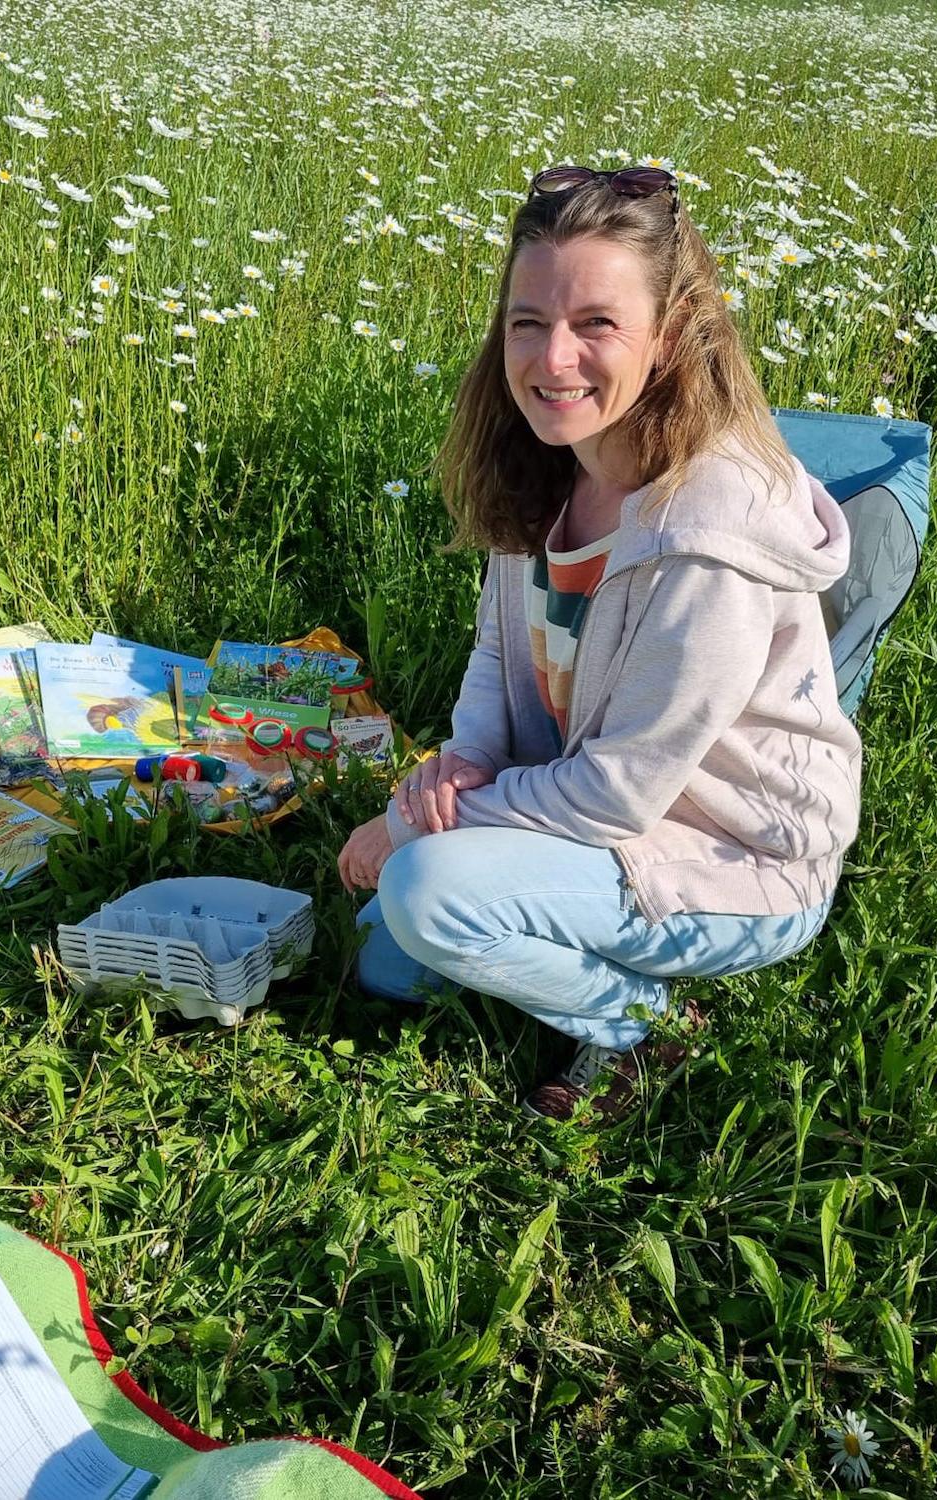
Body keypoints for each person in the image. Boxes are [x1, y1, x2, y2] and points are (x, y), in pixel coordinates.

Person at [337, 165, 861, 1123]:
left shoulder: (709, 531)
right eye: (528, 322)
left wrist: (417, 824)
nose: (553, 359)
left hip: (734, 858)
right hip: (595, 806)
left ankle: (639, 1019)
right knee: (384, 966)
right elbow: (500, 652)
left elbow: (620, 793)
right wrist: (464, 765)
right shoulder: (547, 462)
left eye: (597, 324)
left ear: (670, 335)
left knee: (423, 895)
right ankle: (539, 935)